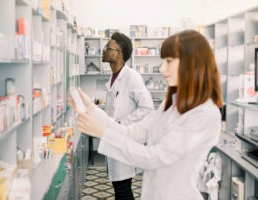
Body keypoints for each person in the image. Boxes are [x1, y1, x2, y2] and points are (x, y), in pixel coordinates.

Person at [69, 29, 223, 200]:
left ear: (191, 63)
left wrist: (103, 133)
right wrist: (92, 109)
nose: (162, 67)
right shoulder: (171, 104)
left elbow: (155, 157)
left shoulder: (204, 113)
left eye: (169, 61)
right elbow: (132, 132)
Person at [101, 32, 154, 200]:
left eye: (108, 48)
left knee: (123, 189)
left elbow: (147, 107)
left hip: (123, 141)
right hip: (114, 140)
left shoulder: (132, 77)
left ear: (119, 54)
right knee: (120, 189)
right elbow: (117, 107)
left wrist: (121, 125)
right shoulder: (114, 77)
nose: (104, 50)